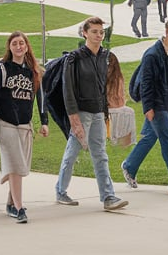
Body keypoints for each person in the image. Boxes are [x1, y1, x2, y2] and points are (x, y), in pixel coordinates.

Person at [55, 16, 128, 211]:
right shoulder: (75, 58)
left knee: (100, 155)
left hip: (98, 113)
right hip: (81, 112)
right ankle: (61, 191)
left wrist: (107, 111)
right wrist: (73, 118)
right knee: (72, 153)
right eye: (94, 31)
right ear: (85, 33)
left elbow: (104, 86)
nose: (98, 35)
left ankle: (108, 197)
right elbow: (67, 89)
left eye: (101, 32)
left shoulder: (105, 57)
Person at [0, 31, 48, 224]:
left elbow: (40, 99)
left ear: (27, 46)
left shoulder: (34, 71)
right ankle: (20, 209)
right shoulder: (2, 69)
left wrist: (44, 122)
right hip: (6, 123)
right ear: (9, 48)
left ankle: (11, 204)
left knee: (20, 167)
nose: (19, 47)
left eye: (22, 43)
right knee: (16, 165)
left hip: (25, 124)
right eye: (14, 44)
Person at [121, 18, 168, 196]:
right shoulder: (152, 55)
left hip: (165, 105)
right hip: (156, 106)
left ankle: (129, 166)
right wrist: (148, 108)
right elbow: (146, 83)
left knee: (150, 137)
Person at [106, 52, 135, 148]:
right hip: (115, 108)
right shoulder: (118, 77)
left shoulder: (102, 77)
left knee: (126, 112)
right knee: (129, 112)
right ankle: (126, 141)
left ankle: (118, 140)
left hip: (108, 109)